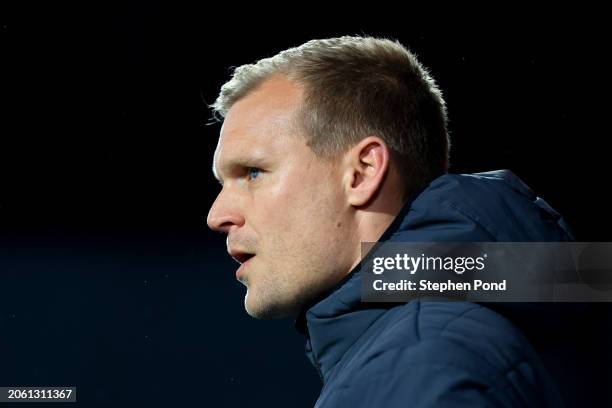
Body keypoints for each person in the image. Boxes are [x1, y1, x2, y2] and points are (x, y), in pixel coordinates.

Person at [206, 36, 575, 407]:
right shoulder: (444, 341)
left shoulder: (420, 364)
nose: (216, 216)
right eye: (223, 183)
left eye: (253, 172)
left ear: (363, 172)